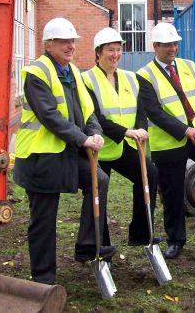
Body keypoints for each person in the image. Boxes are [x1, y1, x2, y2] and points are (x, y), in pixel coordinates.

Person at [13, 17, 116, 285]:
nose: (70, 46)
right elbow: (49, 116)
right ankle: (43, 277)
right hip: (40, 158)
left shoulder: (74, 74)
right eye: (63, 41)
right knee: (44, 220)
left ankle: (87, 245)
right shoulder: (37, 74)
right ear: (48, 44)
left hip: (67, 154)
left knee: (99, 181)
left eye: (72, 41)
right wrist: (83, 140)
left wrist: (95, 132)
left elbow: (88, 110)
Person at [136, 22, 195, 260]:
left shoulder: (189, 66)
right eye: (167, 45)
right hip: (169, 141)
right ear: (155, 46)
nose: (173, 48)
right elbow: (154, 112)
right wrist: (184, 130)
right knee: (173, 192)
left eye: (175, 44)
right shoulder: (144, 76)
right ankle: (176, 239)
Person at [81, 27, 163, 247]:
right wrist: (126, 132)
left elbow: (140, 110)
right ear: (98, 53)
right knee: (99, 194)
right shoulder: (86, 80)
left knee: (150, 173)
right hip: (97, 147)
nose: (115, 54)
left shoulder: (130, 78)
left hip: (121, 147)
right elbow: (94, 116)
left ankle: (140, 233)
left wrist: (141, 128)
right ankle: (101, 243)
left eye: (118, 50)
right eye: (110, 50)